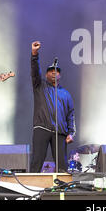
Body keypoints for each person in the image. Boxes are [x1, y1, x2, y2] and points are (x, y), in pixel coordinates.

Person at [30, 41, 76, 173]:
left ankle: (62, 189)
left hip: (60, 132)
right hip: (42, 127)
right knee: (37, 160)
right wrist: (34, 54)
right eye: (50, 71)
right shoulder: (40, 86)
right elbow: (34, 71)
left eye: (56, 71)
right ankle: (32, 187)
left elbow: (71, 114)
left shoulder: (66, 94)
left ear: (60, 75)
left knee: (62, 164)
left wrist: (71, 133)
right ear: (46, 75)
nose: (54, 73)